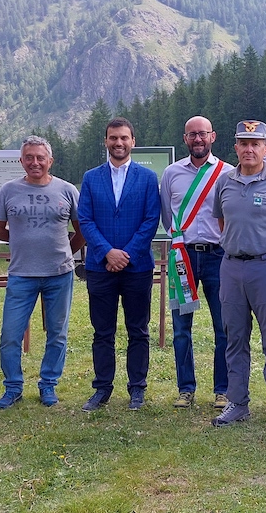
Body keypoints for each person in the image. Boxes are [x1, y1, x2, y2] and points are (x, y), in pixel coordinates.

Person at [211, 120, 266, 431]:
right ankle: (237, 402)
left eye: (255, 144)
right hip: (232, 267)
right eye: (243, 143)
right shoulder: (224, 183)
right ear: (235, 147)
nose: (249, 149)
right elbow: (223, 223)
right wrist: (240, 249)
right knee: (234, 336)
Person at [0, 136, 85, 409]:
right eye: (29, 157)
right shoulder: (8, 190)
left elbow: (82, 231)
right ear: (21, 161)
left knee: (57, 333)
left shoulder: (66, 190)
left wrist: (66, 249)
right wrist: (23, 240)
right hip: (21, 273)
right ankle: (13, 387)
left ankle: (48, 385)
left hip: (59, 273)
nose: (35, 162)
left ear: (50, 161)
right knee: (10, 335)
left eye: (40, 158)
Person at [77, 117, 162, 412]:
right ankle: (102, 388)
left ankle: (137, 389)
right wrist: (106, 253)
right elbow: (84, 219)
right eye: (113, 138)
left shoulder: (148, 178)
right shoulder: (90, 178)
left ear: (133, 142)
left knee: (138, 330)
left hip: (137, 266)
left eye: (124, 138)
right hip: (101, 268)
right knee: (102, 332)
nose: (118, 143)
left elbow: (152, 220)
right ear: (106, 141)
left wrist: (126, 253)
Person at [161, 116, 230, 409]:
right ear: (185, 139)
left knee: (224, 327)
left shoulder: (227, 172)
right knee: (181, 328)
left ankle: (223, 390)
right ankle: (185, 388)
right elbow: (167, 214)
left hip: (218, 256)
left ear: (212, 136)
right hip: (183, 258)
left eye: (202, 134)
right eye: (192, 135)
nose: (198, 139)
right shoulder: (171, 174)